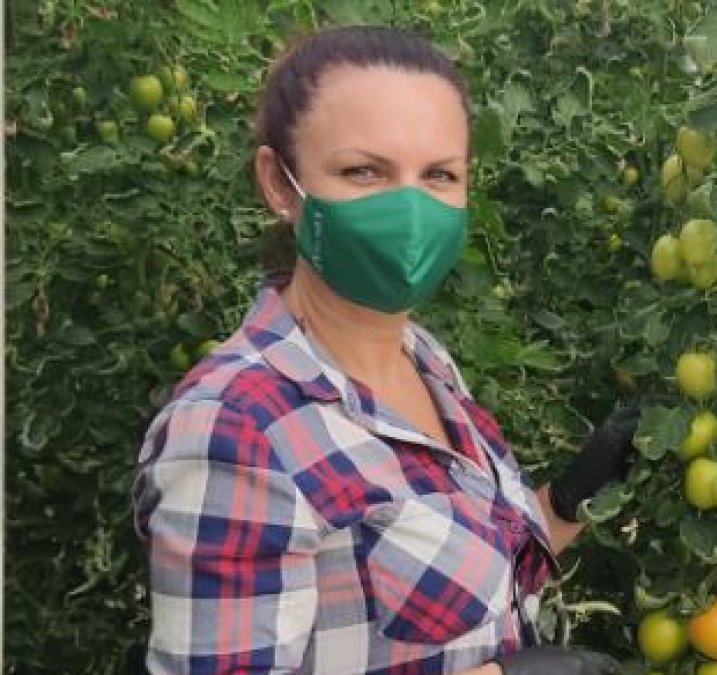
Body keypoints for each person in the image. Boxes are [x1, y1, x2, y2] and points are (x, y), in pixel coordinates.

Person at [133, 25, 639, 674]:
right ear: (280, 185)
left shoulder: (422, 359)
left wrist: (568, 501)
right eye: (363, 170)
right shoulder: (234, 430)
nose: (408, 207)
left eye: (438, 174)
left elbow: (450, 594)